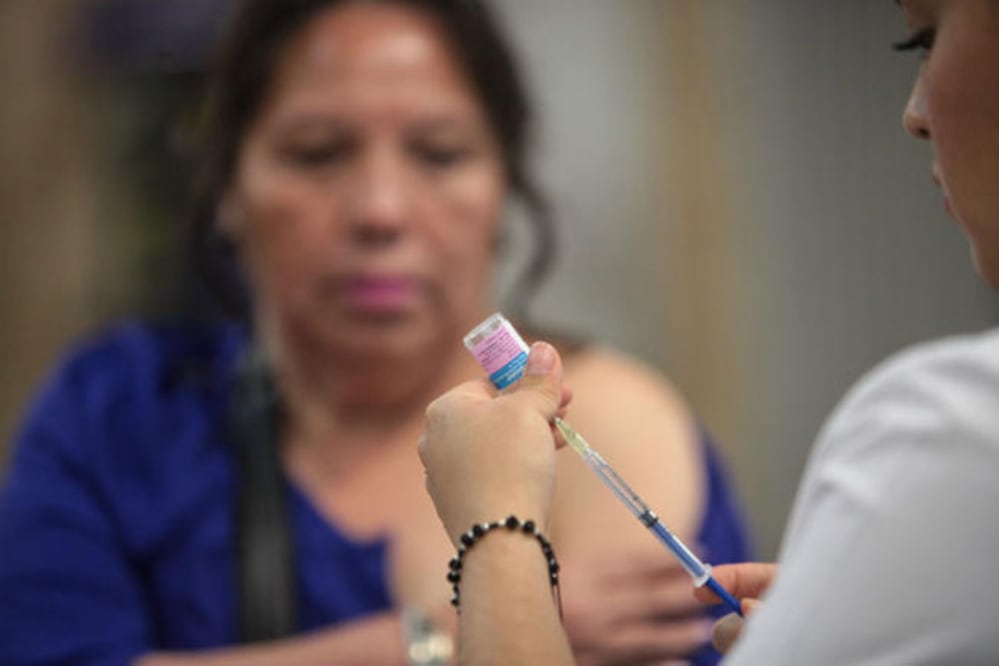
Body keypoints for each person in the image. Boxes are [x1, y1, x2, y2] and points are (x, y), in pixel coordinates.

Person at [0, 1, 750, 665]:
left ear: (505, 187)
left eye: (439, 153)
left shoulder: (608, 423)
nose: (380, 211)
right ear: (226, 186)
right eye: (318, 152)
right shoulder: (119, 414)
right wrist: (441, 640)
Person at [419, 0, 999, 663]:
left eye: (922, 43)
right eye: (328, 154)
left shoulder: (954, 428)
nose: (912, 115)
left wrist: (496, 529)